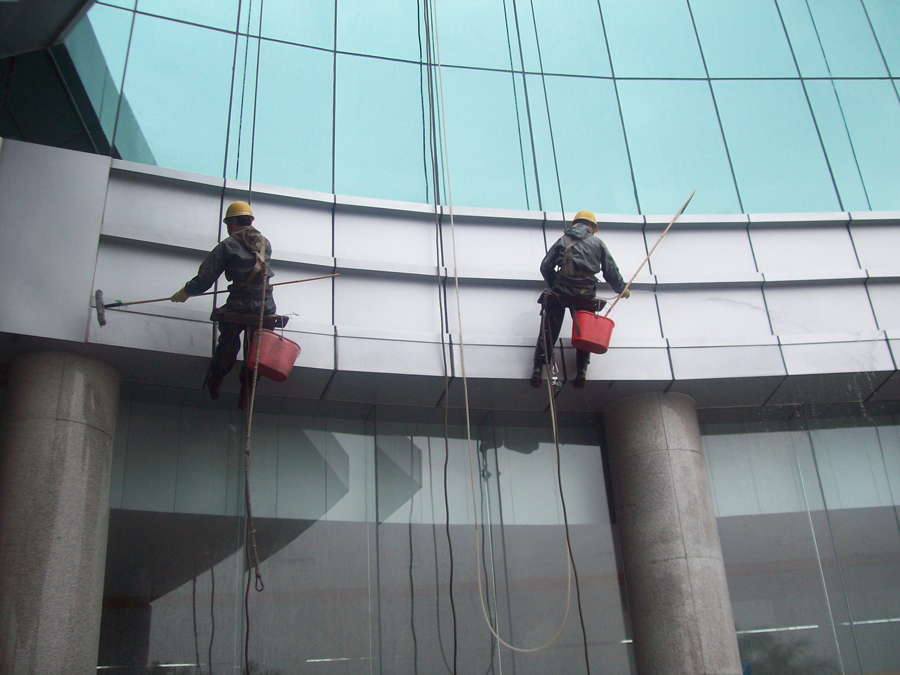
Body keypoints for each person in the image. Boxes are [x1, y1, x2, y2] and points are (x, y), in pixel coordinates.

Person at [171, 200, 285, 402]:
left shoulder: (228, 245)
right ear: (250, 221)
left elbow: (206, 278)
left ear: (233, 222)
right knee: (256, 350)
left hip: (240, 304)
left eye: (227, 224)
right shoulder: (265, 243)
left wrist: (186, 292)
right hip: (265, 305)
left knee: (228, 344)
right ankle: (248, 387)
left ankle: (217, 378)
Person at [531, 209, 629, 390]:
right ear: (592, 226)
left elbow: (545, 266)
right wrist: (622, 289)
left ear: (575, 225)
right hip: (585, 295)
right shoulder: (597, 243)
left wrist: (555, 284)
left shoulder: (563, 240)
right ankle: (581, 372)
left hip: (561, 292)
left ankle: (537, 369)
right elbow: (610, 271)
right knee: (584, 332)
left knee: (549, 329)